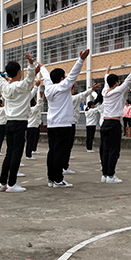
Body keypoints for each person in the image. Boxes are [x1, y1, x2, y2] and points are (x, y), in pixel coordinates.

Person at [0, 52, 38, 193]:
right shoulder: (23, 86)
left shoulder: (5, 86)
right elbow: (31, 77)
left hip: (9, 123)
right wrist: (31, 63)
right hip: (20, 123)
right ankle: (12, 183)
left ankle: (2, 183)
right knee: (16, 153)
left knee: (9, 152)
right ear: (19, 72)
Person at [40, 49, 89, 188]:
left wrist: (42, 67)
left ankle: (51, 178)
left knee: (52, 152)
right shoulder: (63, 86)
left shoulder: (49, 87)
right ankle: (58, 180)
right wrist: (81, 60)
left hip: (52, 125)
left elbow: (46, 77)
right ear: (62, 78)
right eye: (64, 76)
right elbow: (74, 74)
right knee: (60, 153)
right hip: (63, 125)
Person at [100, 57, 131, 184]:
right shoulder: (118, 91)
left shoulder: (105, 92)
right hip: (113, 123)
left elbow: (106, 81)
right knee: (114, 150)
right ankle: (110, 175)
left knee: (106, 149)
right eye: (117, 82)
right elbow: (128, 79)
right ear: (116, 83)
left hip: (105, 123)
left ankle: (104, 175)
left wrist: (107, 71)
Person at [63, 81, 98, 175]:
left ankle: (63, 165)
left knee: (64, 146)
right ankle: (64, 166)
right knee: (67, 146)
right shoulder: (72, 98)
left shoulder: (62, 98)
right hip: (70, 124)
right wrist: (92, 90)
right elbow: (82, 95)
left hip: (63, 123)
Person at [25, 88, 44, 160]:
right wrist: (41, 97)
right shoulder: (33, 109)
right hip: (32, 127)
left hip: (30, 126)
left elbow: (39, 105)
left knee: (30, 141)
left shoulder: (28, 109)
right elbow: (39, 105)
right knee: (31, 141)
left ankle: (30, 152)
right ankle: (29, 155)